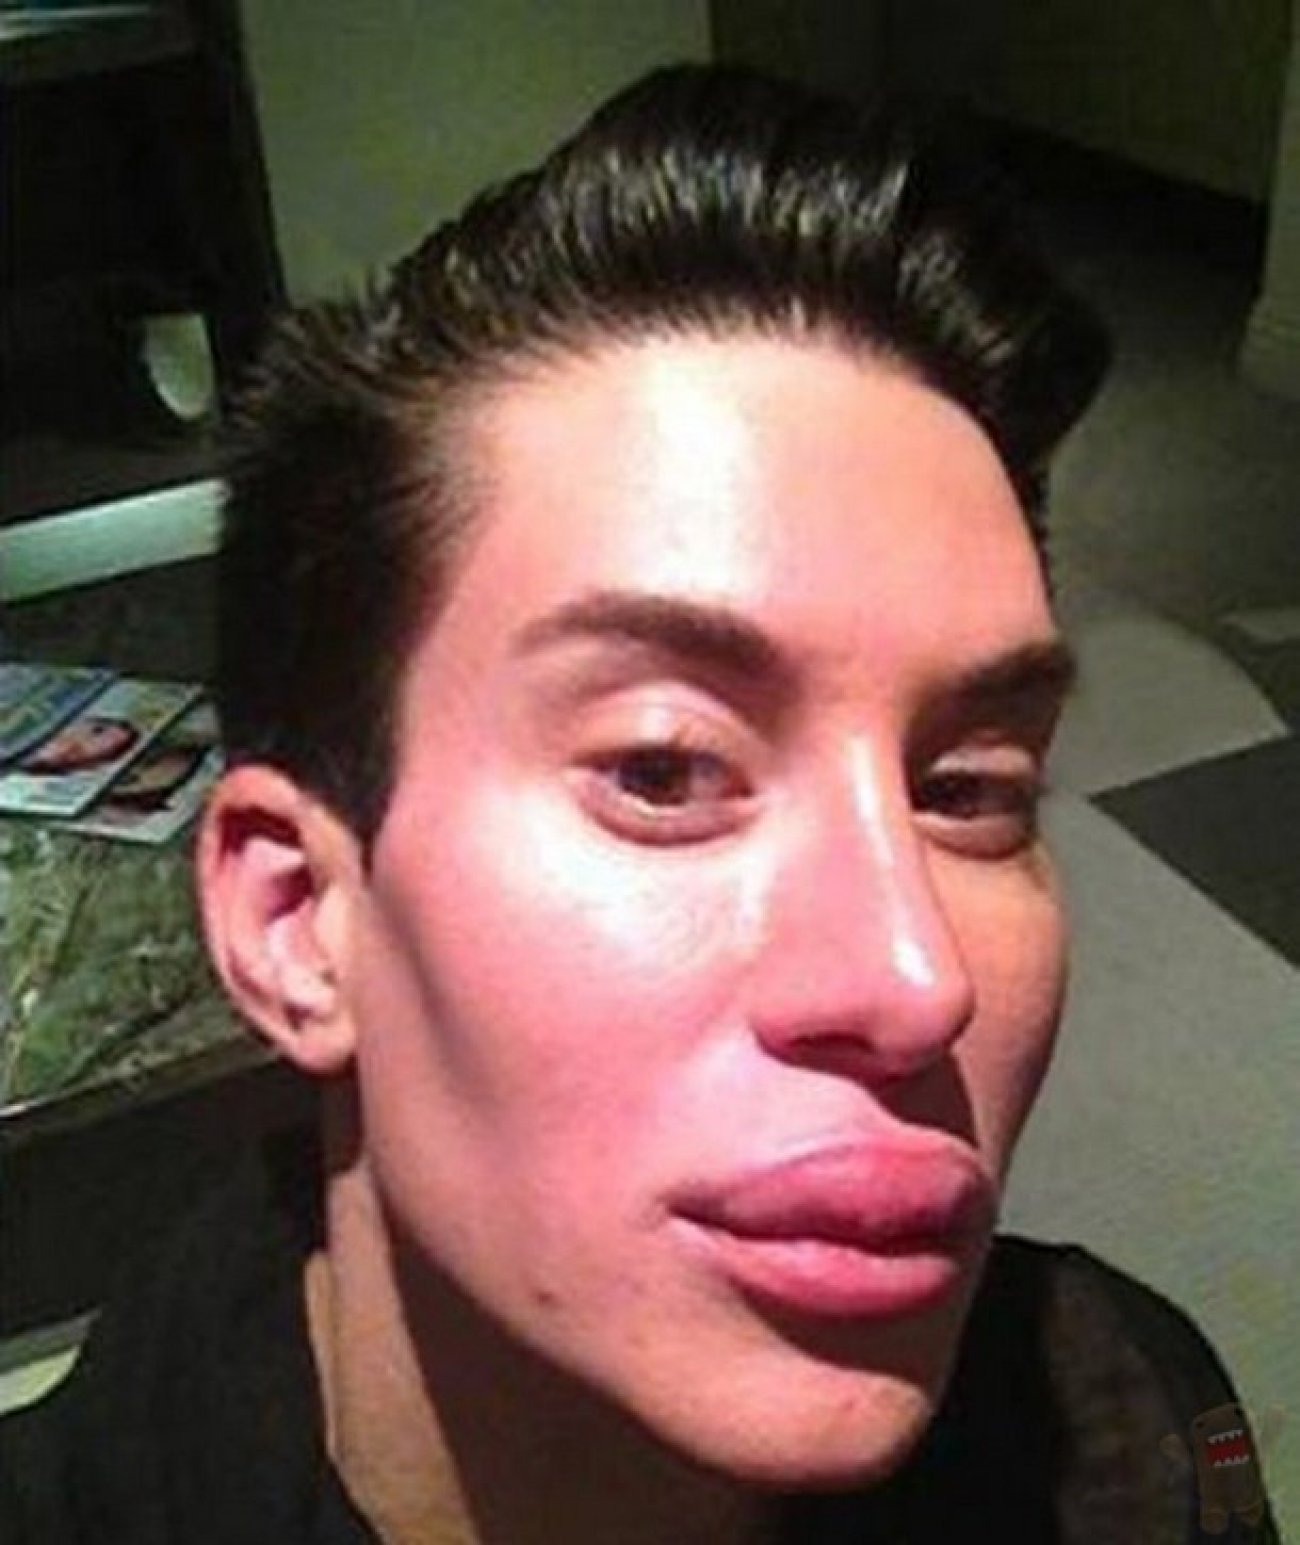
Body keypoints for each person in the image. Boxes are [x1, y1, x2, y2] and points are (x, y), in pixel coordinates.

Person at [1, 64, 1279, 1544]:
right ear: (297, 920)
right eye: (664, 769)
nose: (917, 979)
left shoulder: (1136, 1425)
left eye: (966, 788)